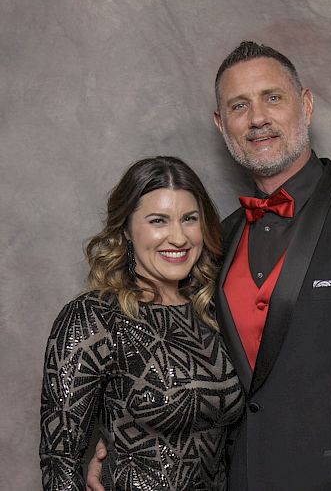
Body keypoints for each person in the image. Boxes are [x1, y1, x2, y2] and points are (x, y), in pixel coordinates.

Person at [88, 42, 331, 490]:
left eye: (272, 97)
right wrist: (123, 445)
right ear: (221, 124)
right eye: (239, 105)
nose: (257, 117)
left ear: (305, 105)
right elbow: (174, 367)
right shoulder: (212, 241)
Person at [39, 156, 244, 490]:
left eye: (189, 219)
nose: (178, 237)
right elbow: (59, 464)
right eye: (158, 221)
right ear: (126, 230)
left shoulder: (213, 311)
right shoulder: (94, 317)